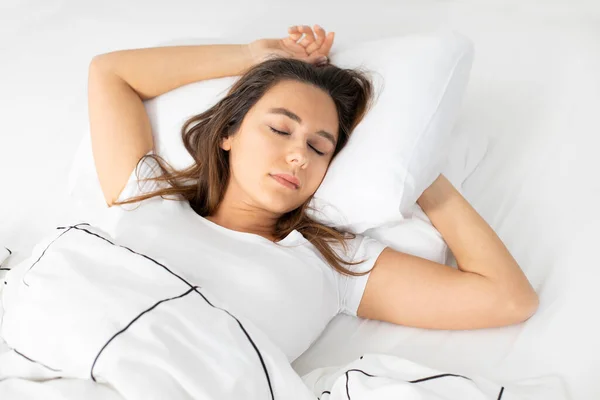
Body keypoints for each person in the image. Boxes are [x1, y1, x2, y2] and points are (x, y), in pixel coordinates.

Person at [88, 24, 538, 361]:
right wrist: (252, 56)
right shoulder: (147, 197)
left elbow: (507, 298)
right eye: (280, 128)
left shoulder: (333, 264)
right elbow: (111, 72)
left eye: (318, 147)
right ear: (228, 131)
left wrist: (417, 170)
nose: (298, 156)